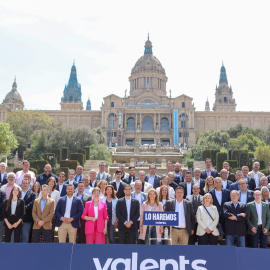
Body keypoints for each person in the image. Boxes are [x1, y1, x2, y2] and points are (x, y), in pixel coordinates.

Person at [20, 178, 36, 243]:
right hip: (16, 219)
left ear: (29, 184)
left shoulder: (33, 194)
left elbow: (32, 204)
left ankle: (23, 252)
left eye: (26, 183)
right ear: (21, 184)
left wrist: (21, 209)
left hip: (27, 219)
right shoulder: (17, 192)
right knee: (17, 237)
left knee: (25, 237)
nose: (24, 185)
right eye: (23, 183)